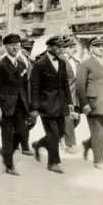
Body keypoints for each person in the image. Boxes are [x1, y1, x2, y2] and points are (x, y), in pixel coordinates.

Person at [30, 35, 73, 174]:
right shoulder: (39, 64)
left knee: (60, 132)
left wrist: (70, 102)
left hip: (60, 104)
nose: (61, 50)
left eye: (62, 47)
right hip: (45, 105)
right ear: (49, 47)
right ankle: (53, 163)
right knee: (53, 133)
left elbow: (65, 84)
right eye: (58, 47)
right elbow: (34, 88)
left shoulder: (61, 63)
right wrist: (35, 107)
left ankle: (39, 144)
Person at [0, 33, 30, 176]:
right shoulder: (0, 65)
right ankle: (9, 165)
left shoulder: (21, 64)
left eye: (17, 45)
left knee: (21, 133)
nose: (15, 48)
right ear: (6, 46)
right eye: (12, 45)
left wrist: (29, 105)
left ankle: (6, 152)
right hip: (6, 106)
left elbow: (25, 87)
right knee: (7, 136)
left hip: (20, 105)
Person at [76, 36, 103, 170]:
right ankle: (98, 160)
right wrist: (84, 104)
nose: (101, 49)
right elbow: (79, 85)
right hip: (94, 103)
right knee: (98, 132)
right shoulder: (85, 64)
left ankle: (88, 144)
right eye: (97, 46)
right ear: (90, 48)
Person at [61, 36, 81, 153]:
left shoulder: (75, 60)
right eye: (71, 47)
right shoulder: (61, 60)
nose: (74, 49)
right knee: (68, 120)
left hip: (76, 96)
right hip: (66, 95)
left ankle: (60, 137)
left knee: (77, 120)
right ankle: (70, 144)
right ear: (64, 49)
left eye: (75, 47)